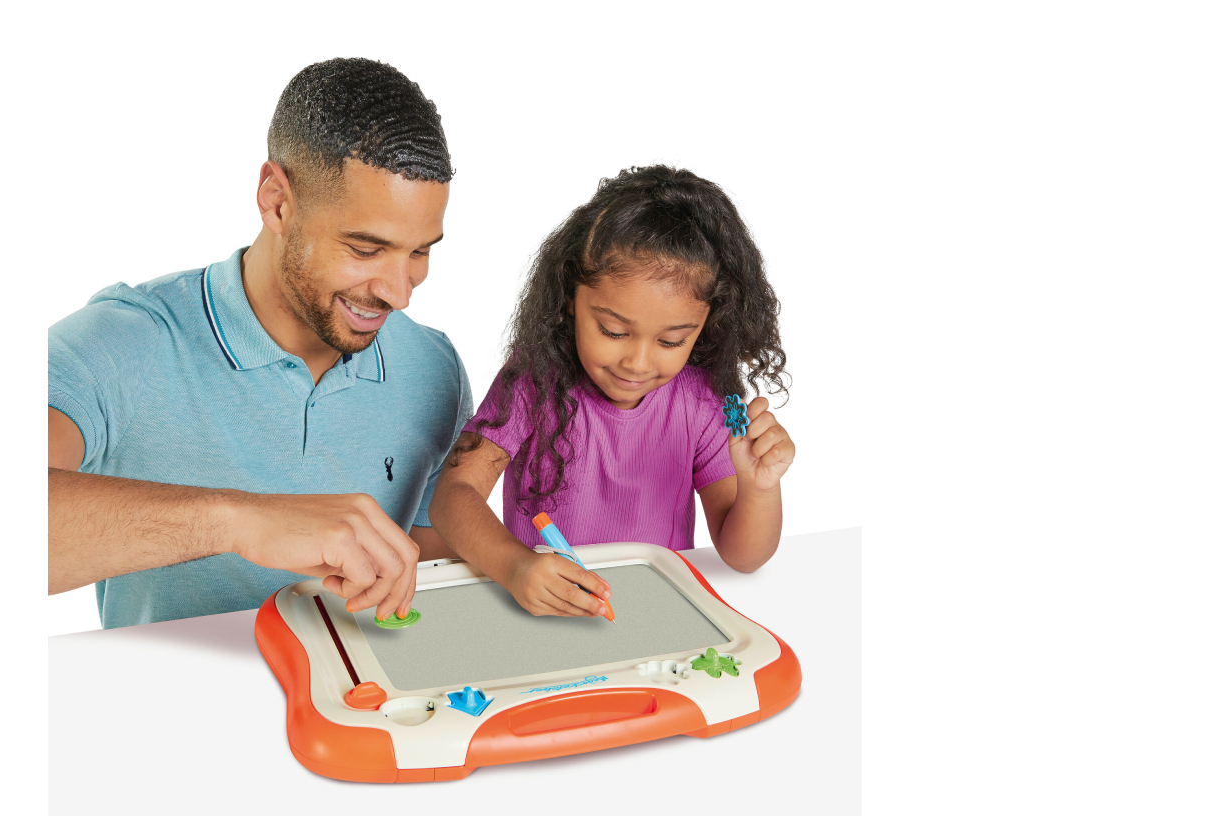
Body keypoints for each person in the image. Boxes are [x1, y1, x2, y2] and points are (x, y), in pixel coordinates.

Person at [49, 58, 472, 628]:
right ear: (276, 201)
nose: (399, 293)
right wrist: (240, 522)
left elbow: (431, 590)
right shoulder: (122, 342)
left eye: (420, 251)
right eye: (365, 249)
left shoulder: (435, 369)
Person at [428, 165, 794, 618]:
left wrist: (759, 489)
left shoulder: (704, 399)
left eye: (671, 341)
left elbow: (744, 556)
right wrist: (516, 567)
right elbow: (453, 495)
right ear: (570, 299)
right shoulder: (533, 379)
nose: (637, 363)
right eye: (613, 331)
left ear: (706, 325)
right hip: (542, 611)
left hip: (655, 612)